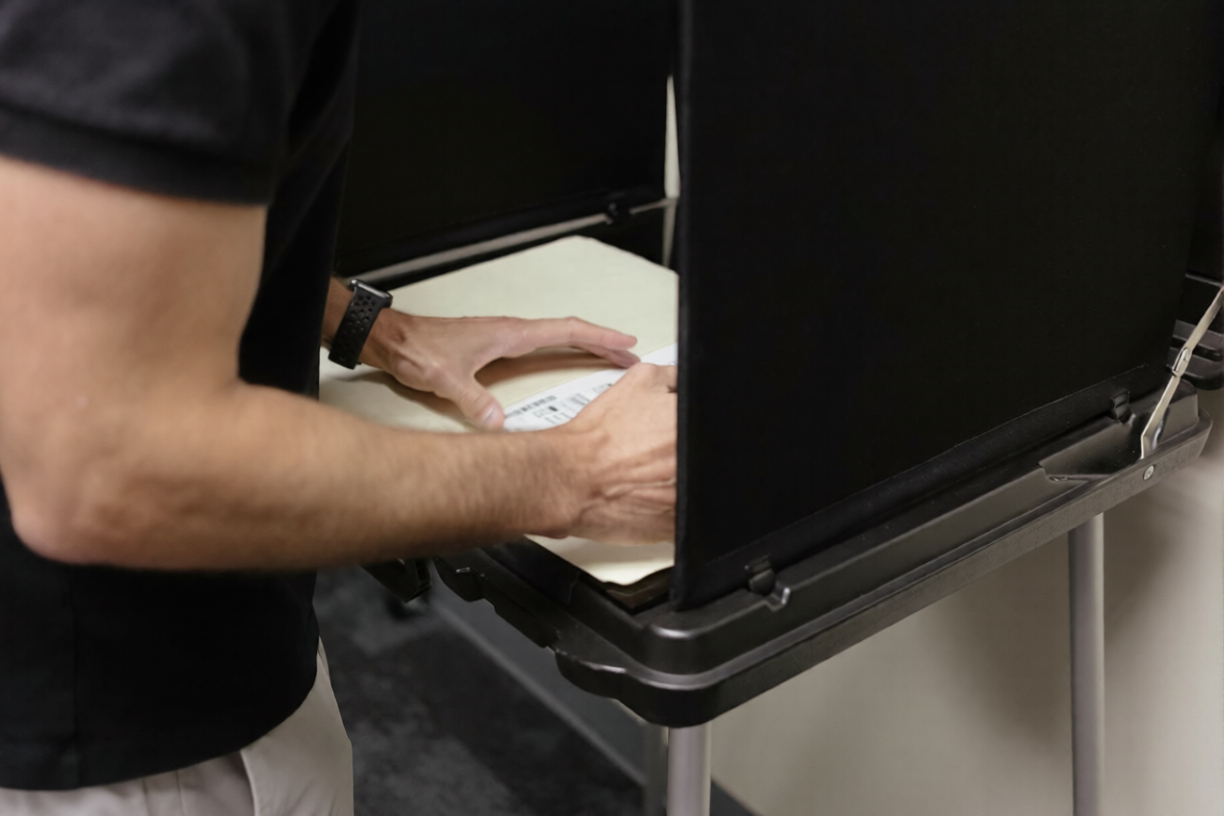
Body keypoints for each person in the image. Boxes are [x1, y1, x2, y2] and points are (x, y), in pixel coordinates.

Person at [0, 1, 677, 813]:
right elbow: (108, 465)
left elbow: (86, 205)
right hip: (128, 719)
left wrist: (374, 328)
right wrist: (577, 477)